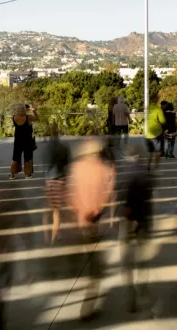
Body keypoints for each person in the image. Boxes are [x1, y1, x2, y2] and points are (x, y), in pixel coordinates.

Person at [69, 137, 115, 321]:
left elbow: (71, 196)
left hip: (80, 222)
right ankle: (86, 310)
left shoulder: (76, 168)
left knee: (89, 264)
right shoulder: (104, 170)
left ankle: (86, 305)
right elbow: (108, 197)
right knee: (96, 270)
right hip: (95, 224)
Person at [118, 142, 153, 312]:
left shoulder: (123, 172)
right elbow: (150, 193)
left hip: (127, 220)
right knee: (141, 258)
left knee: (127, 260)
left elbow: (119, 195)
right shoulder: (146, 172)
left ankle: (130, 294)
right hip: (143, 220)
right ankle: (143, 286)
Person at [43, 123, 71, 244]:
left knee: (46, 210)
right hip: (60, 180)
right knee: (57, 211)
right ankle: (55, 237)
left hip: (48, 181)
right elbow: (67, 167)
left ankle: (46, 237)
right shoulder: (64, 148)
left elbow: (45, 165)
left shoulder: (46, 148)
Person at [10, 103, 37, 179]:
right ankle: (27, 175)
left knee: (15, 158)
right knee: (27, 157)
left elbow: (16, 126)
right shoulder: (28, 117)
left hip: (18, 140)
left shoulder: (14, 118)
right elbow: (37, 118)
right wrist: (34, 111)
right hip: (27, 140)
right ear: (24, 110)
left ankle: (12, 175)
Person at [143, 94, 165, 169]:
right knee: (158, 152)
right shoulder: (158, 109)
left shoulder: (146, 109)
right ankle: (156, 167)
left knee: (150, 152)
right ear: (156, 100)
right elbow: (163, 121)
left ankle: (148, 166)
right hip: (156, 133)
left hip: (147, 133)